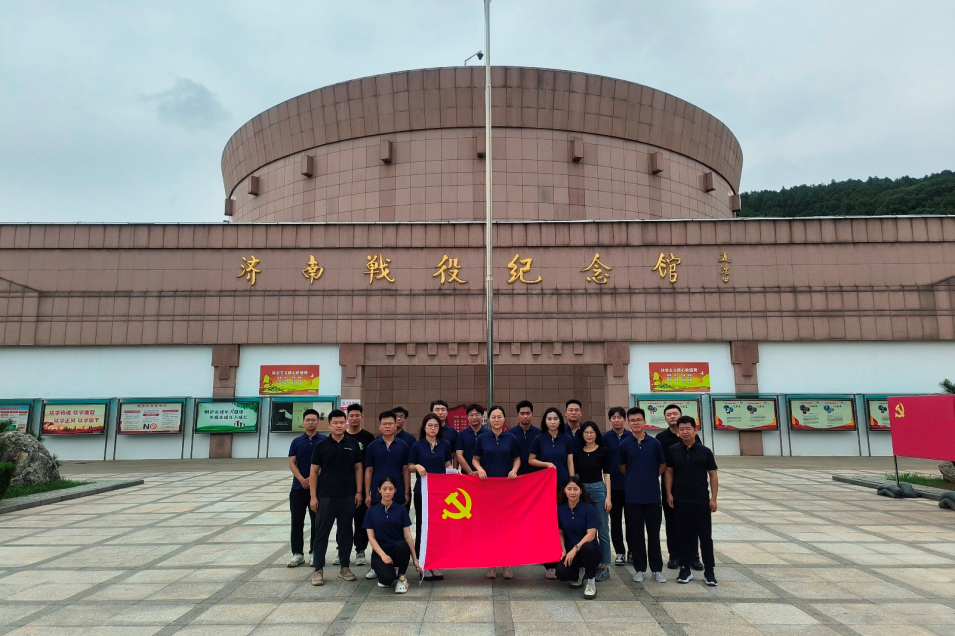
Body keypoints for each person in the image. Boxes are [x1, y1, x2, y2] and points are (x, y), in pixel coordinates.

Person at [309, 408, 363, 586]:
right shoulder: (321, 446)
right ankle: (318, 569)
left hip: (347, 496)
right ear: (329, 425)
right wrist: (313, 496)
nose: (339, 425)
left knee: (346, 532)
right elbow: (314, 472)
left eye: (342, 422)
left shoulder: (353, 444)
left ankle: (345, 567)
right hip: (326, 496)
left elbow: (358, 468)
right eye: (335, 423)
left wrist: (359, 492)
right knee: (321, 533)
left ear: (345, 424)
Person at [665, 416, 719, 586]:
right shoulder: (673, 450)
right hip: (680, 500)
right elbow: (669, 472)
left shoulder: (705, 451)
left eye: (688, 428)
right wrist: (669, 493)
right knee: (682, 535)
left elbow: (713, 475)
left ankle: (709, 571)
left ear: (695, 430)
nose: (685, 432)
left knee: (705, 537)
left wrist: (713, 498)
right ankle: (684, 569)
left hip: (701, 501)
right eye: (681, 429)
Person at [471, 404, 520, 579]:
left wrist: (514, 470)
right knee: (489, 527)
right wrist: (479, 469)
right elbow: (475, 459)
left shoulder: (511, 438)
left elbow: (517, 459)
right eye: (493, 417)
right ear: (488, 419)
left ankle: (507, 564)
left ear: (504, 419)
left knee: (507, 528)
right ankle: (491, 563)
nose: (497, 420)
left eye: (499, 417)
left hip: (507, 490)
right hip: (487, 490)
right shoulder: (482, 438)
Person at [620, 407, 667, 584]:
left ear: (644, 421)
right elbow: (622, 467)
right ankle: (639, 569)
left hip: (653, 496)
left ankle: (657, 569)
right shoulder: (625, 444)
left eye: (638, 419)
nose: (635, 423)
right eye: (632, 420)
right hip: (633, 497)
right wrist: (636, 478)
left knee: (653, 535)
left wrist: (650, 476)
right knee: (636, 535)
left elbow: (662, 465)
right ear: (628, 423)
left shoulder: (655, 443)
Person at [655, 403, 704, 571]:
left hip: (691, 487)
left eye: (675, 413)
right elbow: (660, 463)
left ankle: (693, 556)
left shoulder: (692, 435)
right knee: (672, 522)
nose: (672, 416)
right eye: (668, 414)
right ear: (665, 418)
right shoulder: (661, 438)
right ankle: (674, 555)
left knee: (692, 522)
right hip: (670, 487)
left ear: (681, 415)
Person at [363, 411, 411, 580]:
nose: (388, 426)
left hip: (398, 493)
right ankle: (376, 563)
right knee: (377, 529)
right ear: (380, 426)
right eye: (385, 424)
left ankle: (398, 563)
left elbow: (406, 470)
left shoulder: (403, 445)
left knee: (398, 529)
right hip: (378, 495)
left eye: (391, 423)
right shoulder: (372, 446)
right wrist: (367, 493)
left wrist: (406, 491)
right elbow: (368, 470)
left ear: (396, 425)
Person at [408, 413, 453, 581]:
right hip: (422, 492)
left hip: (440, 493)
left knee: (438, 527)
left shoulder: (445, 444)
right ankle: (423, 563)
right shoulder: (417, 445)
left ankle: (436, 563)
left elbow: (448, 464)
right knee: (423, 526)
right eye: (430, 425)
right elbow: (409, 466)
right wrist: (417, 466)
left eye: (436, 426)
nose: (433, 428)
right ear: (424, 427)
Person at [364, 476, 421, 594]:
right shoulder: (371, 511)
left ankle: (402, 577)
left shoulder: (401, 510)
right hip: (380, 553)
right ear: (379, 490)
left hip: (398, 550)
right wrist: (383, 555)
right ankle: (386, 571)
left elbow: (408, 536)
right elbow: (371, 538)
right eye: (384, 488)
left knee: (403, 545)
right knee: (386, 581)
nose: (387, 492)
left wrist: (415, 559)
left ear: (395, 490)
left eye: (390, 489)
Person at [287, 408, 326, 568]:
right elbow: (292, 462)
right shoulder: (296, 442)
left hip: (317, 490)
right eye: (308, 420)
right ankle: (297, 554)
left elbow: (325, 463)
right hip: (298, 488)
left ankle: (314, 553)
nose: (311, 422)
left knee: (317, 522)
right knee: (297, 521)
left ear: (318, 422)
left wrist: (312, 478)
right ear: (303, 422)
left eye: (313, 420)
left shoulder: (324, 441)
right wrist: (302, 479)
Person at [574, 421, 613, 582]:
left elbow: (607, 474)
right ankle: (586, 563)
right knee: (584, 529)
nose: (589, 435)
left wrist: (608, 497)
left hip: (598, 491)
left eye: (592, 432)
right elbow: (576, 476)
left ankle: (604, 565)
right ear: (582, 435)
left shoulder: (603, 451)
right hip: (582, 491)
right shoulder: (578, 452)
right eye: (586, 432)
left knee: (602, 529)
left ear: (596, 434)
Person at [552, 477, 600, 600]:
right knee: (561, 573)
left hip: (589, 551)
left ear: (581, 491)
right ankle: (580, 572)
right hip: (570, 552)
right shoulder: (560, 509)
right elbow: (560, 532)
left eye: (575, 489)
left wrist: (575, 548)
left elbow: (591, 535)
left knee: (588, 548)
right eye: (569, 489)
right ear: (564, 490)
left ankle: (591, 582)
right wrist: (563, 549)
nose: (572, 492)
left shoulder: (588, 508)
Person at [343, 403, 375, 567]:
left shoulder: (368, 438)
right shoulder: (341, 435)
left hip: (361, 486)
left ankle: (360, 550)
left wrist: (364, 491)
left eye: (357, 415)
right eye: (351, 416)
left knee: (360, 519)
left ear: (362, 417)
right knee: (344, 520)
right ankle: (342, 550)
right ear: (347, 417)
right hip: (344, 486)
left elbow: (369, 466)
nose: (354, 418)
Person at [602, 406, 630, 565]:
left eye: (619, 417)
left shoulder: (631, 436)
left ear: (624, 420)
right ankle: (620, 551)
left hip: (630, 485)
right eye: (613, 417)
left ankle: (632, 550)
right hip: (613, 486)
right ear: (609, 420)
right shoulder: (605, 438)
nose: (617, 420)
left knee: (632, 521)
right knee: (615, 520)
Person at [529, 407, 575, 491]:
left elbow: (570, 462)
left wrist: (572, 481)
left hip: (563, 481)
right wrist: (546, 464)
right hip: (545, 481)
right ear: (545, 421)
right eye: (549, 419)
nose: (552, 422)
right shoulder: (539, 438)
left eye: (555, 419)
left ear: (560, 421)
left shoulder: (567, 439)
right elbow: (531, 460)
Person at [511, 400, 541, 475]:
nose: (525, 416)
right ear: (517, 415)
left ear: (532, 415)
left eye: (528, 413)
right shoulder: (510, 434)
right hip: (516, 475)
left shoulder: (540, 434)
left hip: (535, 475)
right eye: (522, 413)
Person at [455, 404, 487, 475]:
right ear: (468, 417)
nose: (474, 417)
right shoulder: (461, 434)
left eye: (477, 414)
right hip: (467, 475)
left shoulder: (488, 434)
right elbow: (459, 455)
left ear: (482, 416)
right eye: (471, 415)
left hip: (486, 474)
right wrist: (471, 473)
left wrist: (481, 471)